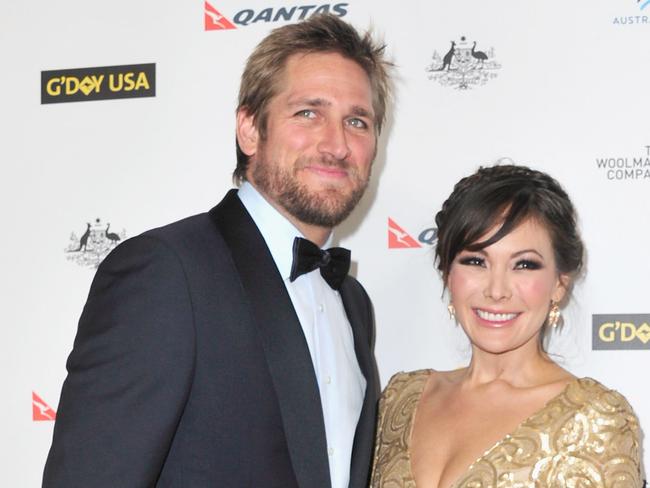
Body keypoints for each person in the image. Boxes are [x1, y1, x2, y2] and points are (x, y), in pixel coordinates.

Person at [43, 13, 392, 488]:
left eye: (357, 121)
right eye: (308, 112)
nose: (336, 144)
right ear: (249, 129)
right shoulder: (166, 273)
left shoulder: (354, 304)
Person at [370, 164, 642, 487]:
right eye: (476, 261)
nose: (496, 290)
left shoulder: (595, 420)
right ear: (447, 274)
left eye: (524, 265)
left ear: (559, 284)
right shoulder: (400, 400)